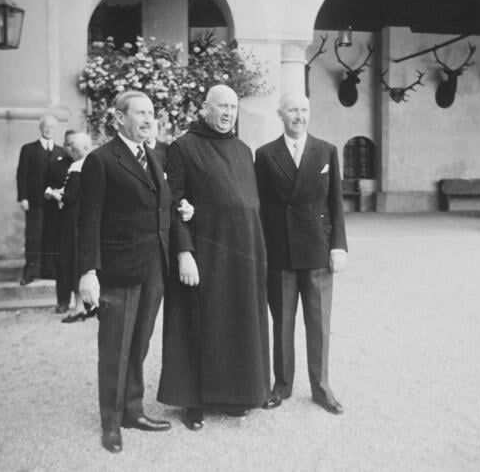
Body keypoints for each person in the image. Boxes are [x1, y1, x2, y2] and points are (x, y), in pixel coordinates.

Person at [157, 84, 272, 431]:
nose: (228, 112)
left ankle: (235, 395)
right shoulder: (183, 147)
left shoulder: (242, 149)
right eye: (221, 106)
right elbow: (174, 204)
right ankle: (193, 402)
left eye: (233, 107)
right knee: (196, 324)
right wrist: (184, 252)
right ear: (205, 108)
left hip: (242, 254)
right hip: (204, 254)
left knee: (236, 325)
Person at [77, 90, 172, 453]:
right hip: (118, 269)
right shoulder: (101, 160)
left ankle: (133, 410)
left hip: (154, 267)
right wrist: (88, 270)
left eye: (151, 112)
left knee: (140, 344)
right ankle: (111, 422)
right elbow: (89, 220)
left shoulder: (156, 154)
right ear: (119, 118)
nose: (148, 119)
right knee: (115, 349)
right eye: (140, 113)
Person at [255, 93, 348, 415]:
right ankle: (281, 386)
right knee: (282, 324)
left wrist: (338, 246)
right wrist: (262, 251)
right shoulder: (265, 155)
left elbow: (335, 203)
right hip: (280, 253)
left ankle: (322, 388)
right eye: (293, 110)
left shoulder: (326, 151)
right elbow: (261, 209)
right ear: (281, 114)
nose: (300, 116)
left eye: (305, 110)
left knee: (319, 324)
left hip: (317, 251)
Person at [16, 115, 72, 287]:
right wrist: (23, 197)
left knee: (52, 234)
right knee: (33, 235)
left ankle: (48, 270)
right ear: (40, 128)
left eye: (52, 127)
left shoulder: (60, 151)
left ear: (56, 130)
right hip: (34, 201)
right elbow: (22, 175)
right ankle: (30, 270)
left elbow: (64, 177)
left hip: (54, 203)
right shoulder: (29, 149)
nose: (49, 130)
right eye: (46, 127)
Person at [52, 132, 94, 323]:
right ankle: (88, 305)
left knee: (74, 262)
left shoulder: (77, 167)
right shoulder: (93, 164)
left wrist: (55, 195)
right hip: (84, 219)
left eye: (75, 150)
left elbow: (70, 198)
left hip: (73, 222)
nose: (73, 153)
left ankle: (79, 307)